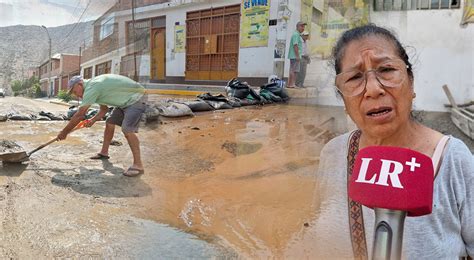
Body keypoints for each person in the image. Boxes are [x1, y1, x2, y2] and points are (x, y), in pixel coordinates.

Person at [314, 24, 473, 258]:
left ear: (411, 83)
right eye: (355, 77)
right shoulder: (332, 154)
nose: (373, 89)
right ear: (343, 99)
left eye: (387, 70)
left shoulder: (455, 161)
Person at [57, 74, 147, 177]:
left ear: (80, 84)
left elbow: (79, 115)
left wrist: (64, 132)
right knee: (110, 122)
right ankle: (104, 152)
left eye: (74, 91)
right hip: (124, 102)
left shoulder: (92, 87)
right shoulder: (93, 87)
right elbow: (104, 109)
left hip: (137, 98)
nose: (76, 95)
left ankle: (138, 165)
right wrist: (92, 120)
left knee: (127, 129)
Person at [287, 21, 306, 88]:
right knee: (293, 70)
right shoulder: (295, 34)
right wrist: (297, 56)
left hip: (296, 56)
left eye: (304, 27)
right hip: (294, 56)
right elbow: (295, 45)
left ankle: (292, 84)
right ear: (297, 26)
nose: (303, 28)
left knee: (295, 70)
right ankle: (290, 84)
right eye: (301, 26)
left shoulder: (297, 34)